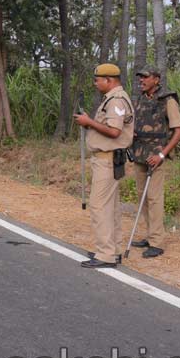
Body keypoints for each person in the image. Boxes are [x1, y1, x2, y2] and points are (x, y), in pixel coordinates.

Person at [74, 63, 134, 268]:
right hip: (110, 160)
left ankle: (106, 254)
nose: (95, 83)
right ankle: (113, 250)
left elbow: (114, 131)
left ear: (109, 80)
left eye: (98, 80)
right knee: (112, 208)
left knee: (99, 206)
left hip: (107, 160)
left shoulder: (116, 100)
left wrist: (88, 122)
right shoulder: (113, 99)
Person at [130, 68, 180, 258]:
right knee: (142, 197)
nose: (142, 80)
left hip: (156, 157)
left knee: (154, 198)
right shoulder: (139, 99)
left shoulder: (167, 100)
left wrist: (162, 155)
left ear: (156, 79)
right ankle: (150, 235)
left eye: (145, 77)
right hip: (139, 154)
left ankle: (157, 242)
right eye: (140, 77)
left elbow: (178, 131)